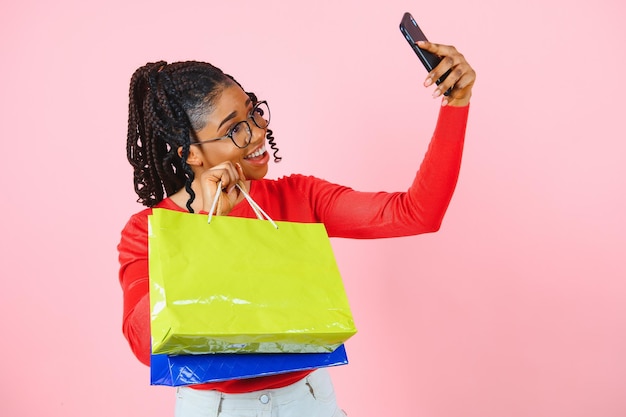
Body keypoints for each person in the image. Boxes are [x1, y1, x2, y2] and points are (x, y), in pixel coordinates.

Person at [118, 40, 475, 417]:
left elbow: (417, 213)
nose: (256, 134)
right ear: (190, 152)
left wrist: (456, 104)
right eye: (234, 129)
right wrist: (209, 231)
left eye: (253, 113)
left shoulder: (300, 197)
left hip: (309, 401)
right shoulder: (149, 231)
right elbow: (145, 344)